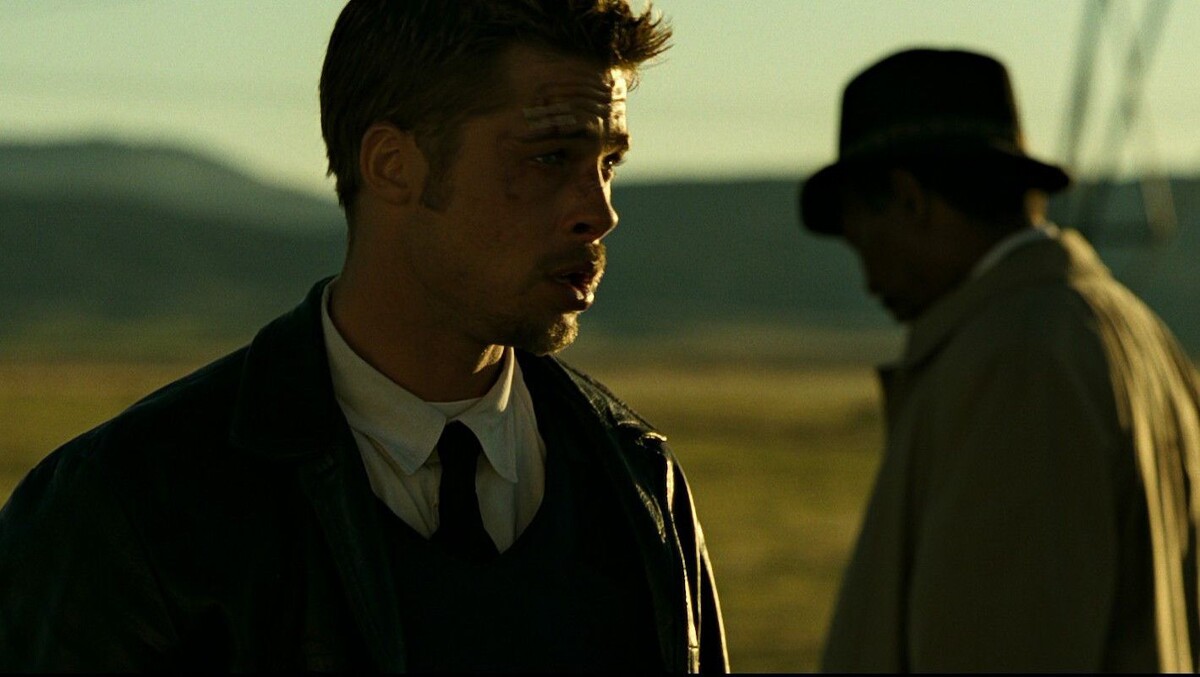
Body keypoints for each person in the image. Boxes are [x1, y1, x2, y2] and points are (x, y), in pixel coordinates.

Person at [0, 1, 728, 672]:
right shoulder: (130, 507)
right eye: (548, 157)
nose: (599, 211)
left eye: (609, 163)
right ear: (392, 165)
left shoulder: (638, 484)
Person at [798, 47, 1200, 672]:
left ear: (909, 199)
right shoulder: (1135, 332)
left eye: (862, 240)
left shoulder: (1018, 362)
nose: (867, 278)